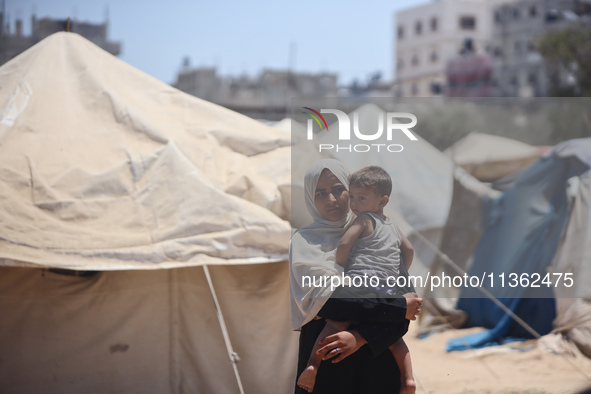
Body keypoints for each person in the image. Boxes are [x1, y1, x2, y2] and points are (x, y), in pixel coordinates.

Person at [289, 159, 423, 394]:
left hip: (377, 358)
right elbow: (331, 302)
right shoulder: (304, 242)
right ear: (311, 197)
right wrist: (395, 308)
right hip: (328, 361)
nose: (332, 200)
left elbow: (407, 307)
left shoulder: (379, 232)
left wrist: (360, 337)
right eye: (321, 193)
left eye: (339, 189)